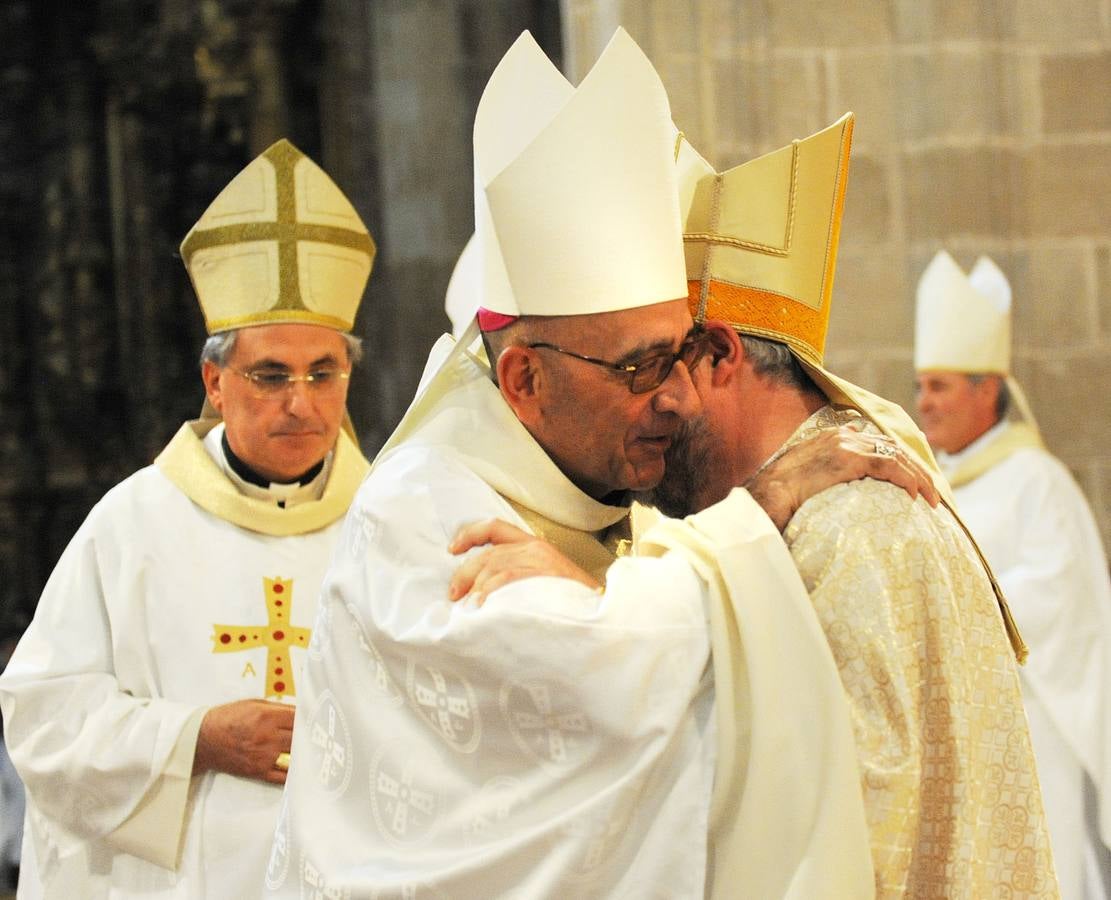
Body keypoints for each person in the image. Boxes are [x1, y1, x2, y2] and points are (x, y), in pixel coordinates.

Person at [268, 31, 939, 900]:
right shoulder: (422, 508)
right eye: (636, 367)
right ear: (523, 378)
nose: (675, 398)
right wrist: (763, 505)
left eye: (681, 353)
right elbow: (588, 686)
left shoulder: (613, 484)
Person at [459, 116, 1060, 897]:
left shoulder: (842, 531)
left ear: (718, 355)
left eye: (649, 370)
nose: (641, 413)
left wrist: (594, 616)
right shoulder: (808, 504)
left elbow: (825, 830)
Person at [0, 138, 375, 898]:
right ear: (215, 378)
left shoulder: (393, 525)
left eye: (322, 373)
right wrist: (195, 739)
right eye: (270, 375)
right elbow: (43, 719)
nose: (300, 401)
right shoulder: (133, 525)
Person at [916, 250, 1111, 899]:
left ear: (986, 389)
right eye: (921, 387)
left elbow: (1055, 599)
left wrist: (948, 607)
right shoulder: (938, 482)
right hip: (961, 727)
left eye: (938, 387)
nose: (923, 403)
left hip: (1031, 726)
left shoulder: (1036, 480)